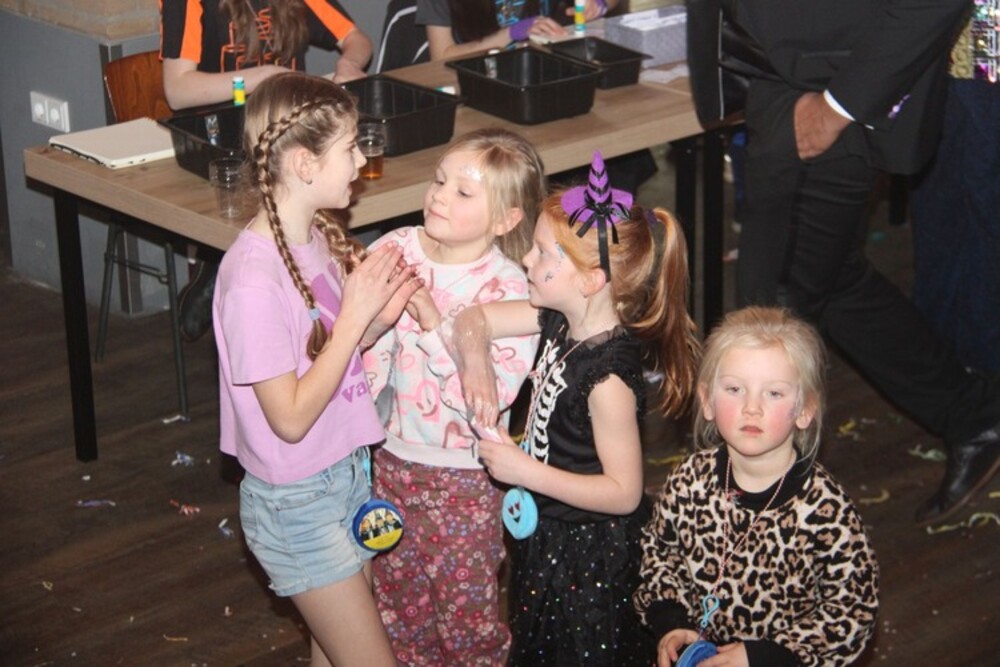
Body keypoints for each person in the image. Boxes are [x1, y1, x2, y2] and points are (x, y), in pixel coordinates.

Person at [686, 0, 1000, 526]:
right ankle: (974, 413)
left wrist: (838, 107)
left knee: (774, 314)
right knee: (830, 283)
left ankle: (758, 514)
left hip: (829, 92)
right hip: (787, 83)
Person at [449, 152, 700, 666]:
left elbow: (624, 493)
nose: (526, 260)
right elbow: (473, 319)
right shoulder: (557, 321)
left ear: (590, 281)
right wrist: (476, 364)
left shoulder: (608, 380)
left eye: (543, 253)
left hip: (590, 560)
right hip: (546, 536)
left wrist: (525, 470)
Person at [212, 71, 420, 667]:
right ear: (304, 164)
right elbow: (291, 418)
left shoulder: (315, 240)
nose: (362, 160)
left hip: (344, 478)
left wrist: (375, 322)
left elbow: (323, 359)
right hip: (296, 502)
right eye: (350, 147)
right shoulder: (253, 281)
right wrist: (354, 320)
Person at [362, 128, 544, 666]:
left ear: (505, 219)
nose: (439, 196)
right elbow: (354, 344)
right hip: (387, 465)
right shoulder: (394, 248)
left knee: (466, 624)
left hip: (464, 481)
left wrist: (432, 320)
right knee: (398, 614)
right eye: (439, 181)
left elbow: (484, 406)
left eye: (464, 192)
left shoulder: (508, 290)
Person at [634, 306, 879, 667]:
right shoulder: (689, 481)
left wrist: (762, 655)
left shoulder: (827, 512)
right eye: (734, 389)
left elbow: (852, 612)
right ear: (707, 401)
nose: (752, 408)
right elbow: (659, 556)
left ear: (805, 409)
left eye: (774, 393)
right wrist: (672, 624)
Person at [161, 0, 374, 341]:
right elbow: (177, 90)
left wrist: (349, 62)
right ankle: (217, 264)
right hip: (221, 144)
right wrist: (259, 78)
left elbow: (357, 39)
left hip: (288, 144)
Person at [910, 4, 1000, 376]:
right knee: (938, 207)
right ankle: (940, 352)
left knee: (986, 208)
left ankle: (981, 360)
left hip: (987, 45)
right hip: (942, 45)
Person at [416, 0, 620, 61]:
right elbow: (441, 55)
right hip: (477, 83)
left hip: (541, 70)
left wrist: (599, 5)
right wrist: (509, 34)